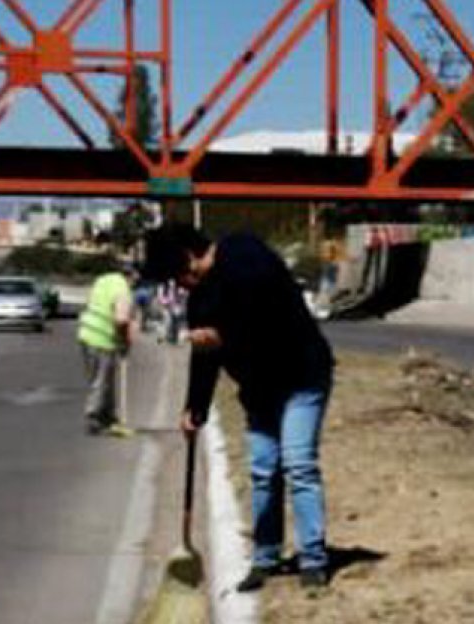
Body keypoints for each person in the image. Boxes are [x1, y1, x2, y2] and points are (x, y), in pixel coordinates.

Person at [143, 223, 335, 591]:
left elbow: (265, 313)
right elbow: (206, 357)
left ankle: (313, 559)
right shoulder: (200, 298)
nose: (179, 286)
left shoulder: (245, 253)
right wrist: (193, 409)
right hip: (259, 389)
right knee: (264, 470)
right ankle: (266, 557)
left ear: (188, 256)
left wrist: (224, 334)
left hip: (301, 376)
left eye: (177, 276)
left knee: (298, 464)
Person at [78, 263, 139, 438]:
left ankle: (108, 416)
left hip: (86, 333)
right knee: (102, 380)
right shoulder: (123, 289)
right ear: (131, 276)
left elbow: (90, 303)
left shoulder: (102, 280)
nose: (136, 282)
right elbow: (121, 320)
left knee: (100, 378)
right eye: (135, 278)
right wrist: (124, 342)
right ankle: (95, 416)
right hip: (101, 338)